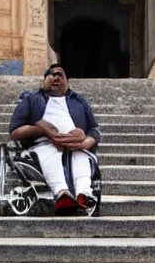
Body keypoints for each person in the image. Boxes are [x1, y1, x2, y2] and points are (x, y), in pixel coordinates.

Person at [9, 64, 101, 215]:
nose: (56, 77)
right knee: (50, 151)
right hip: (43, 143)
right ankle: (62, 194)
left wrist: (87, 142)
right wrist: (44, 131)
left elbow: (94, 129)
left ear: (67, 82)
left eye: (60, 75)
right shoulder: (32, 99)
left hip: (76, 143)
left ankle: (84, 193)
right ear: (44, 81)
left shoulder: (79, 101)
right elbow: (15, 131)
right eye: (52, 75)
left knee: (81, 155)